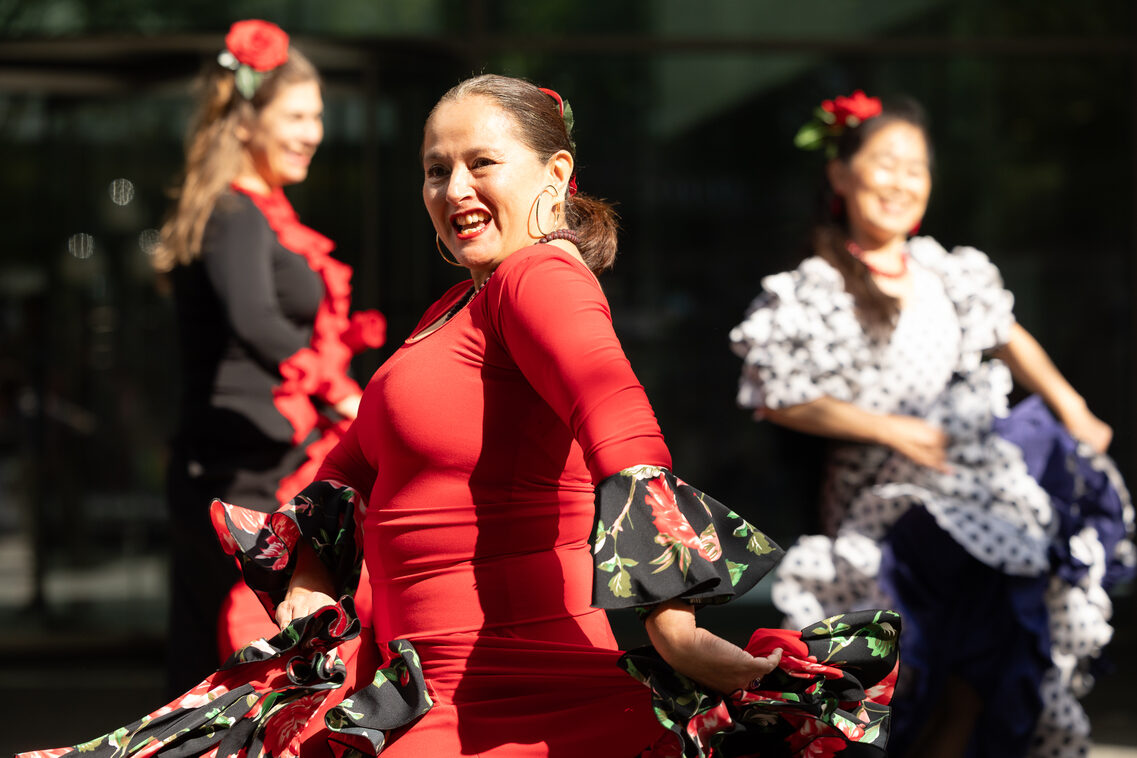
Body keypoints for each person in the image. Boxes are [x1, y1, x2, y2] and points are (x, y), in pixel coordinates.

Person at [19, 75, 899, 758]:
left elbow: (617, 418)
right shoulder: (453, 308)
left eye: (482, 163)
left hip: (514, 695)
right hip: (416, 691)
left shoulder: (540, 275)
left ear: (555, 176)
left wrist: (672, 625)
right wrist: (310, 594)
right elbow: (345, 471)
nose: (453, 188)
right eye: (436, 169)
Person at [730, 91, 1135, 758]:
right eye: (884, 164)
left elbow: (1006, 335)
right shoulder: (811, 286)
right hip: (879, 507)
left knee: (985, 655)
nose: (900, 183)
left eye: (914, 169)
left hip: (968, 488)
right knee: (911, 669)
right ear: (840, 174)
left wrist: (1072, 406)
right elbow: (777, 394)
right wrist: (889, 429)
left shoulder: (950, 272)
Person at [154, 19, 383, 695]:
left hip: (249, 458)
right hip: (236, 468)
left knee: (229, 657)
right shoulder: (234, 212)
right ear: (247, 119)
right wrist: (343, 393)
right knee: (236, 658)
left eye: (318, 116)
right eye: (298, 115)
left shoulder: (255, 213)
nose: (313, 132)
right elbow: (253, 319)